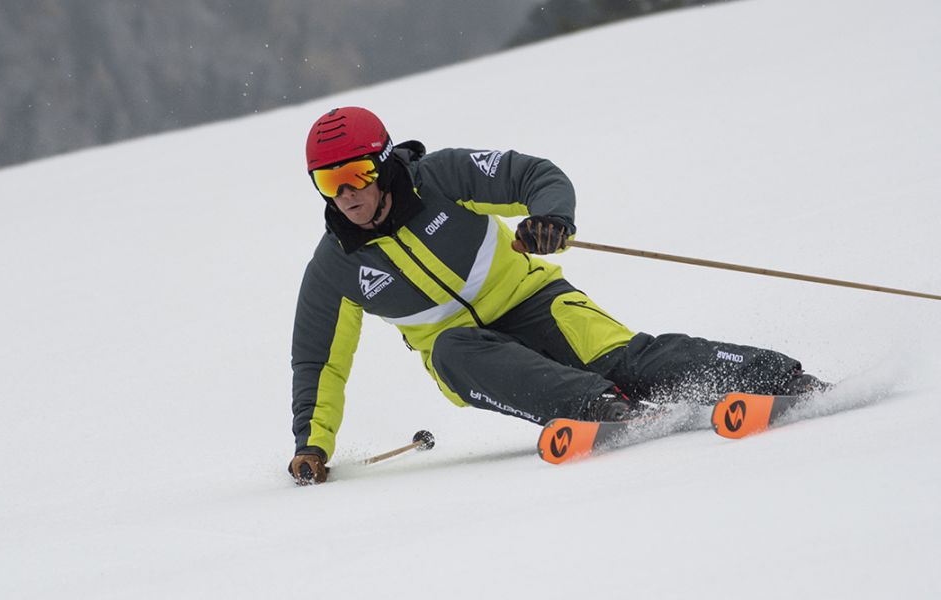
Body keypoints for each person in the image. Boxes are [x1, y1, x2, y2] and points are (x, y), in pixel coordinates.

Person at [288, 106, 825, 485]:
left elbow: (531, 174)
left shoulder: (442, 178)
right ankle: (598, 407)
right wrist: (311, 446)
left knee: (628, 359)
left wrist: (550, 216)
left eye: (356, 174)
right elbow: (318, 363)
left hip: (537, 303)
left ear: (383, 165)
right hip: (470, 354)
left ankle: (774, 377)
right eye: (329, 182)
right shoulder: (335, 264)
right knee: (450, 349)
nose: (347, 194)